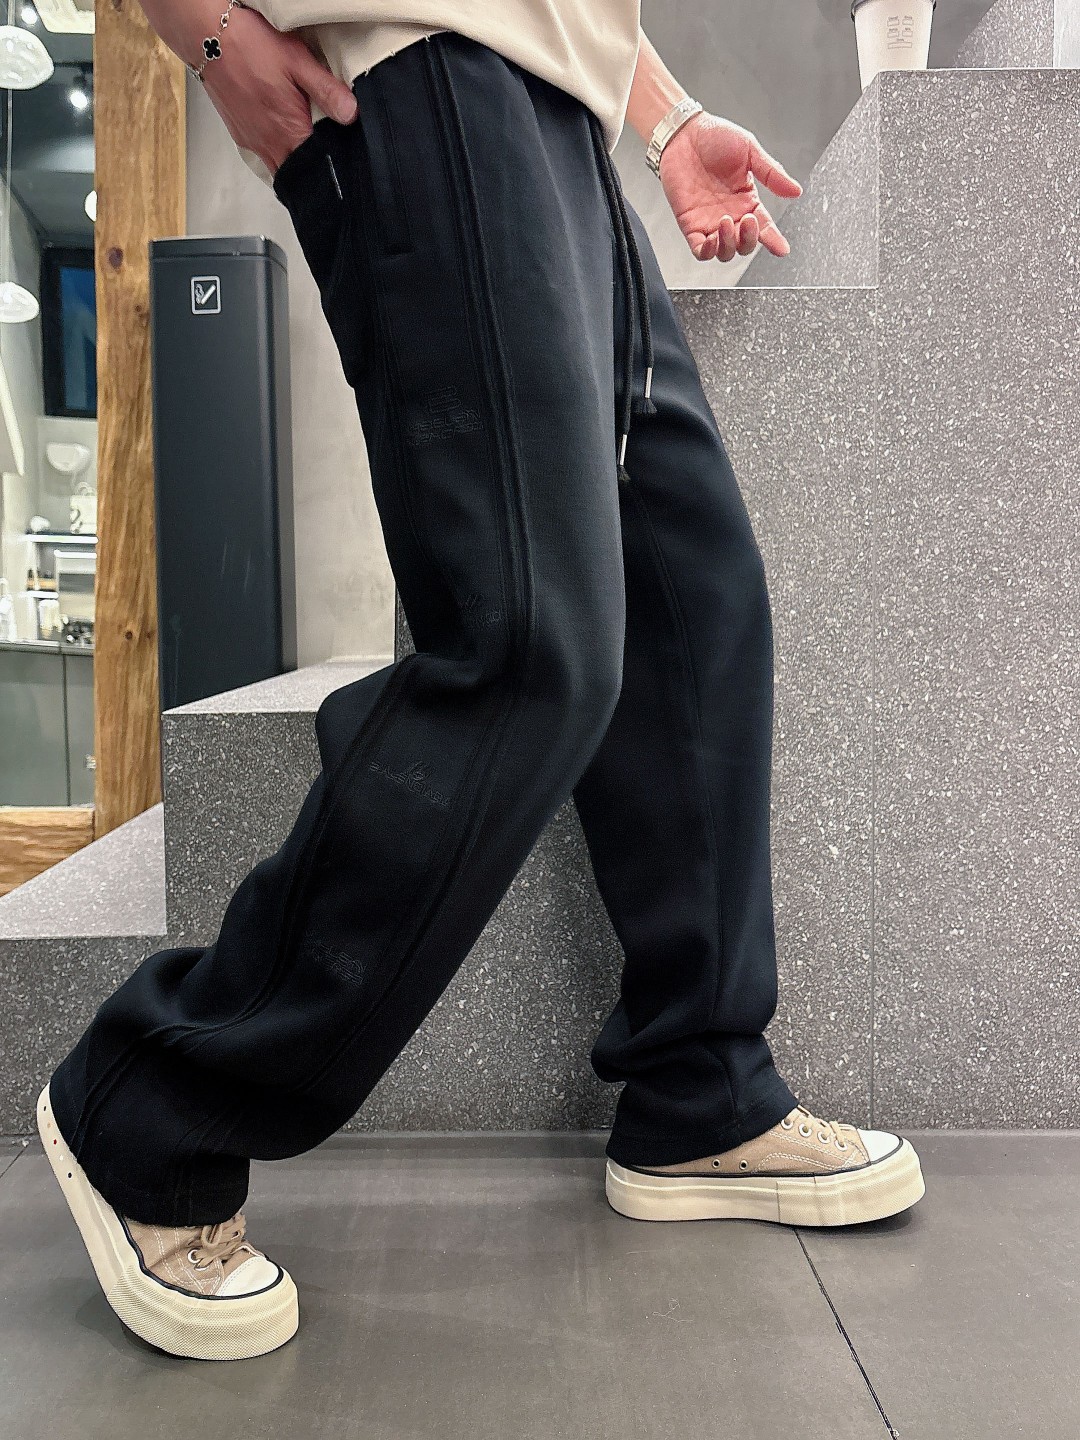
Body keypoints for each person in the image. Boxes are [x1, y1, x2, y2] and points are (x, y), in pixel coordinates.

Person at [37, 0, 925, 1362]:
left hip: (565, 120)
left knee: (695, 609)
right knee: (527, 647)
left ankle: (696, 1089)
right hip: (415, 70)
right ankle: (152, 1099)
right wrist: (202, 28)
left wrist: (665, 119)